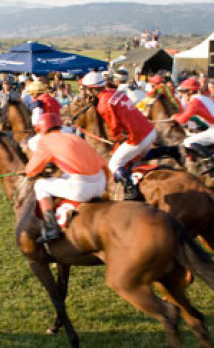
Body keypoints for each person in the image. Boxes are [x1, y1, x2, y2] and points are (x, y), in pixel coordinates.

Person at [25, 113, 108, 243]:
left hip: (82, 188)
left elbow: (31, 170)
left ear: (41, 130)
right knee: (65, 176)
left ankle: (51, 227)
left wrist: (33, 172)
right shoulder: (73, 136)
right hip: (101, 183)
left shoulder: (45, 141)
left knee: (39, 185)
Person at [81, 71, 156, 200]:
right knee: (134, 157)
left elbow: (115, 129)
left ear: (92, 90)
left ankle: (130, 190)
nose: (86, 92)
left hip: (138, 138)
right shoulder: (115, 92)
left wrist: (116, 141)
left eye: (86, 89)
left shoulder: (103, 105)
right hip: (150, 131)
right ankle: (169, 151)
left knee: (113, 164)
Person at [173, 77, 214, 169]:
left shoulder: (195, 102)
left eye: (183, 93)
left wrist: (175, 116)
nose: (182, 96)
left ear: (190, 92)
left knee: (188, 141)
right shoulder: (204, 98)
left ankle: (211, 161)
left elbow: (182, 119)